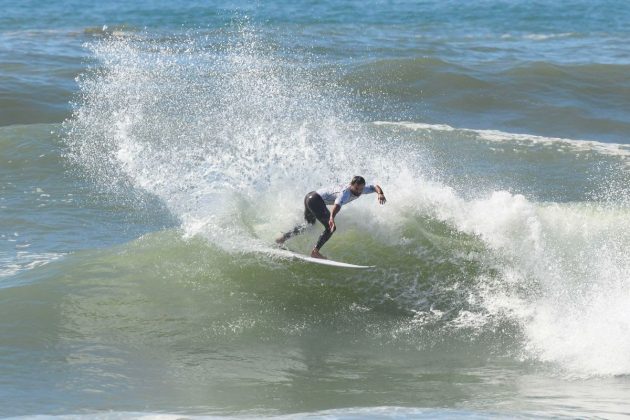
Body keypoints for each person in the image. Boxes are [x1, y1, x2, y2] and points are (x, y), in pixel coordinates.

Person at [276, 176, 386, 259]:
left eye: (361, 189)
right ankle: (315, 252)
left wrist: (380, 193)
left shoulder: (362, 189)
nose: (358, 191)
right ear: (351, 185)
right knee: (330, 228)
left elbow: (374, 186)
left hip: (309, 196)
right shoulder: (345, 193)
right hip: (315, 200)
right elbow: (337, 206)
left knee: (309, 225)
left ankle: (282, 239)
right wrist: (331, 218)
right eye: (356, 188)